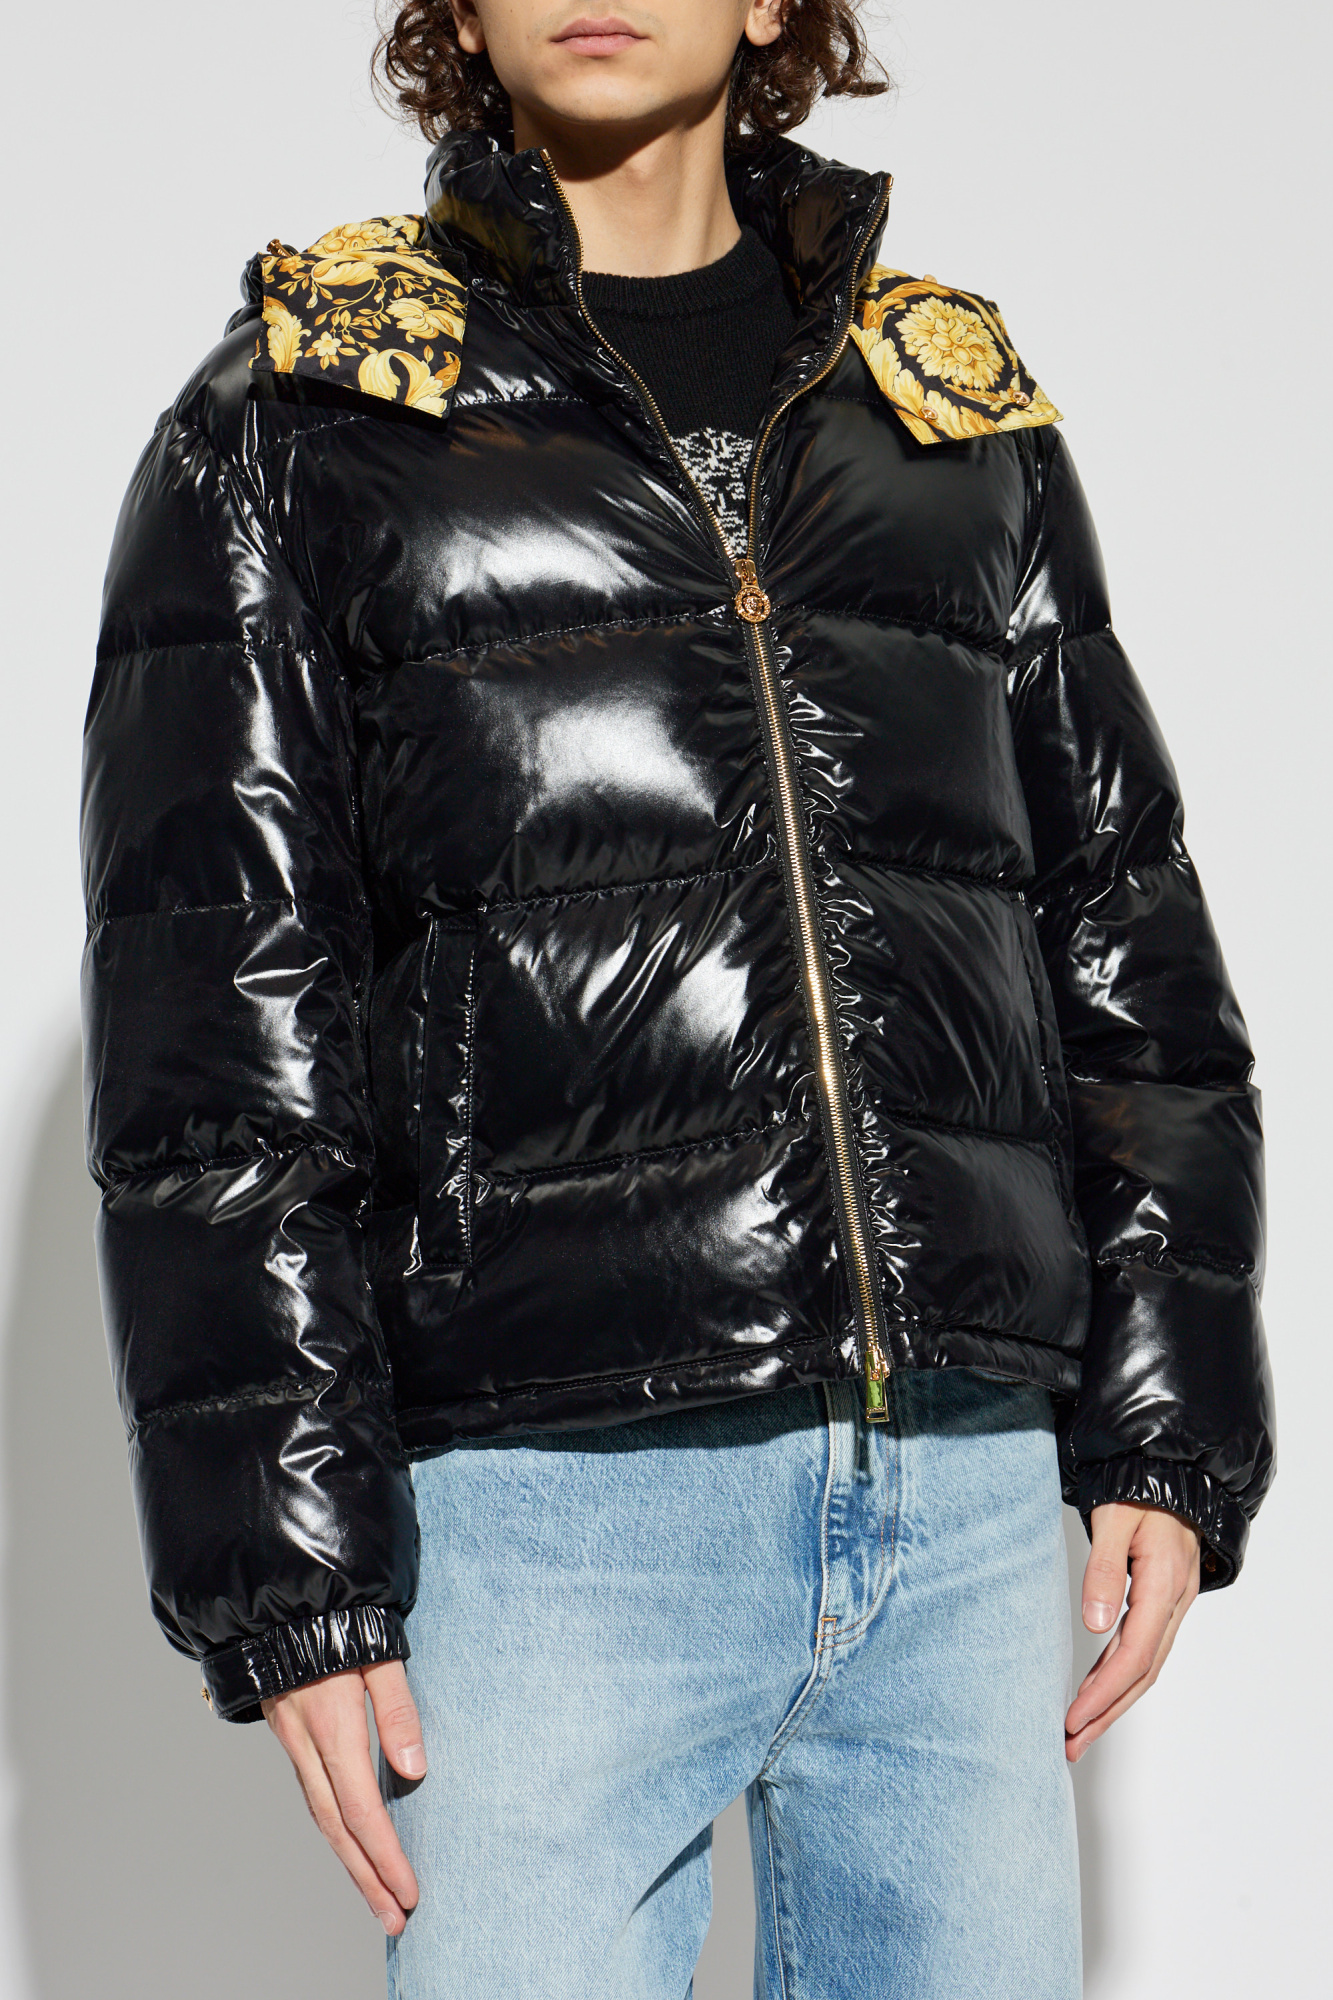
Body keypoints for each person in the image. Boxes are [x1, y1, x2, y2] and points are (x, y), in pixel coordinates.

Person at [81, 2, 1275, 1994]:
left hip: (960, 1499)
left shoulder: (945, 418)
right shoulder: (301, 418)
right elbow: (218, 1028)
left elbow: (1123, 942)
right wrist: (286, 1575)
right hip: (541, 1526)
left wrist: (1160, 1420)